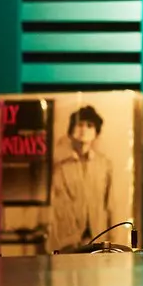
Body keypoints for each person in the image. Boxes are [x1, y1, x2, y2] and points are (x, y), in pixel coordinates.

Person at [49, 105, 115, 251]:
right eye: (79, 124)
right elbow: (58, 207)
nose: (83, 129)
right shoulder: (61, 168)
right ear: (71, 130)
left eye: (89, 125)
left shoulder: (105, 165)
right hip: (68, 241)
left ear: (96, 132)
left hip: (100, 238)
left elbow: (110, 204)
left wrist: (114, 239)